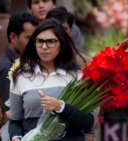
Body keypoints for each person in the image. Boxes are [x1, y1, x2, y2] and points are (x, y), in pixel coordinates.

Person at [8, 18, 93, 141]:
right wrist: (16, 137)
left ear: (62, 44)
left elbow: (88, 122)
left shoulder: (77, 77)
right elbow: (15, 121)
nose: (44, 46)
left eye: (50, 42)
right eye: (40, 41)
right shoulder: (20, 77)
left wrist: (61, 107)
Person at [46, 6, 98, 141]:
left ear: (71, 31)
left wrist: (88, 137)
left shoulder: (86, 63)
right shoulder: (36, 64)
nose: (59, 34)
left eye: (63, 29)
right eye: (54, 29)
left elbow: (92, 108)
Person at [0, 11, 38, 140]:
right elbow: (3, 116)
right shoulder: (7, 68)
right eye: (28, 38)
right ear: (13, 37)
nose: (34, 43)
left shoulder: (24, 64)